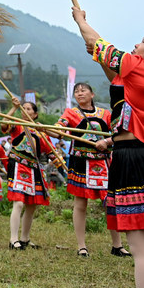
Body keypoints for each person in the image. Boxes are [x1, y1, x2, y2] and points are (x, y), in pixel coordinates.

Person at [73, 8, 144, 288]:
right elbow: (115, 75)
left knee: (141, 249)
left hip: (137, 162)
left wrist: (81, 21)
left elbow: (103, 48)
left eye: (143, 41)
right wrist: (109, 140)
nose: (137, 45)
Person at [55, 81, 128, 257]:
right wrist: (48, 129)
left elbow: (118, 133)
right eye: (77, 91)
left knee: (110, 203)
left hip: (103, 162)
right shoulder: (71, 113)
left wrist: (107, 142)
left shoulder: (106, 114)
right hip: (80, 162)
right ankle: (82, 246)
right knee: (80, 204)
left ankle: (117, 246)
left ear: (92, 94)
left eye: (83, 90)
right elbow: (58, 130)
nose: (80, 93)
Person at [2, 96, 56, 250]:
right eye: (23, 108)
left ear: (35, 114)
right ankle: (13, 239)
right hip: (18, 165)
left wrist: (64, 168)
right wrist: (13, 107)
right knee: (18, 203)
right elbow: (5, 124)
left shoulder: (41, 132)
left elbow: (52, 152)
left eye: (28, 109)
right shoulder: (17, 125)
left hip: (34, 169)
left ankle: (25, 238)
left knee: (31, 206)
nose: (24, 111)